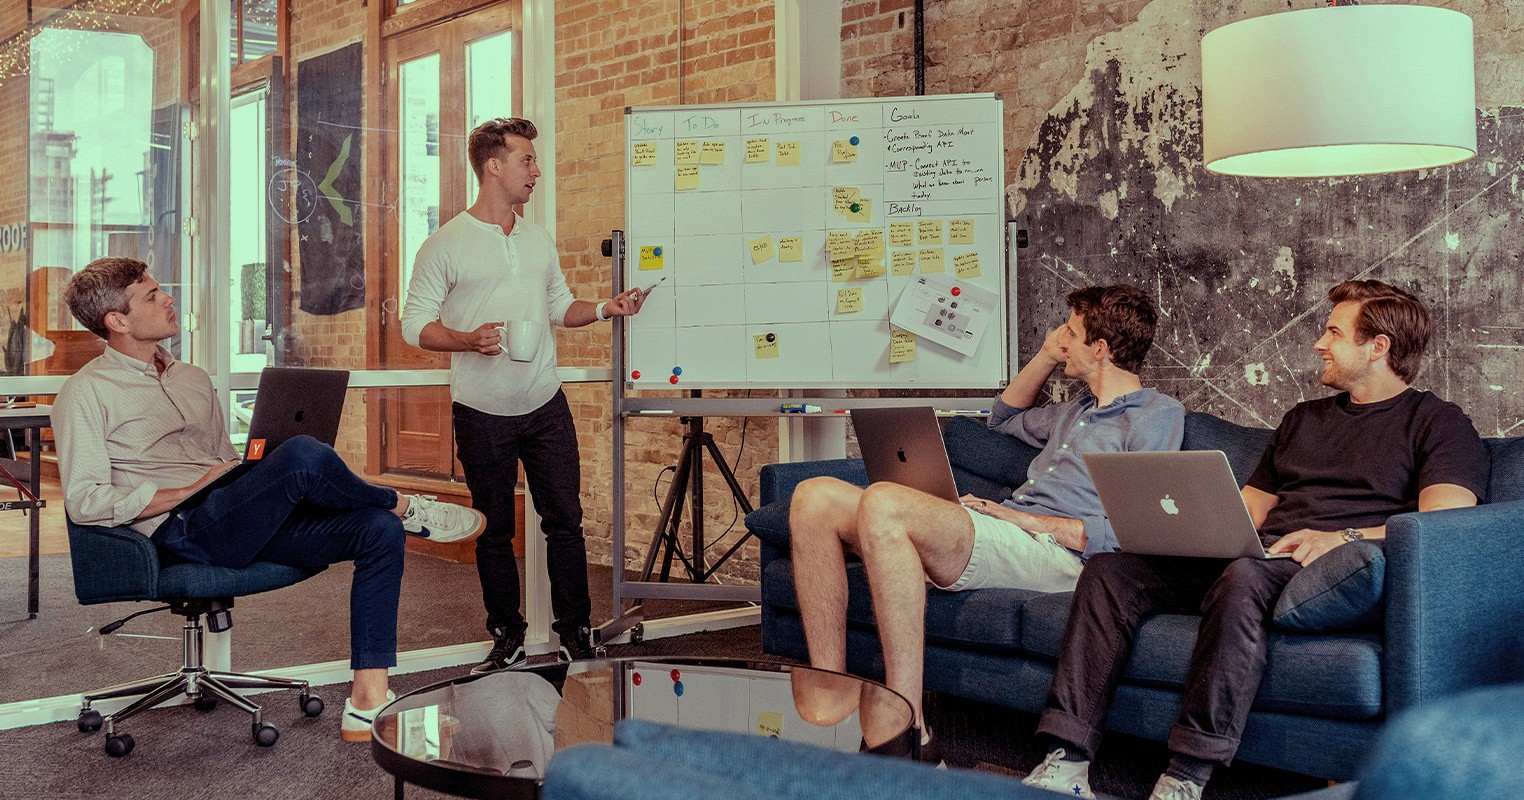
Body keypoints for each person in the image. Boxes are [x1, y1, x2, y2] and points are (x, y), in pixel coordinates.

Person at [1023, 280, 1491, 800]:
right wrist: (1188, 530)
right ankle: (1066, 761)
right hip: (1260, 553)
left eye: (1333, 332)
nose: (1319, 343)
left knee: (1244, 575)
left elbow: (1445, 522)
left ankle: (1184, 777)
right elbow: (1248, 508)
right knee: (1112, 570)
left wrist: (1340, 537)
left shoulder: (1438, 422)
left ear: (1377, 346)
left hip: (1334, 566)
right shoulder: (1303, 419)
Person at [54, 257, 487, 742]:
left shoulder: (191, 378)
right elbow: (85, 500)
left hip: (233, 514)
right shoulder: (85, 393)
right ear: (117, 321)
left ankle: (367, 701)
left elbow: (223, 460)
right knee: (304, 455)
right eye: (152, 296)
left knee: (374, 530)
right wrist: (188, 489)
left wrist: (249, 473)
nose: (168, 298)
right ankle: (402, 504)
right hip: (184, 529)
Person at [789, 284, 1185, 758]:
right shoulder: (1074, 413)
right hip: (1009, 533)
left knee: (886, 503)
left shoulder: (1156, 416)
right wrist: (1043, 356)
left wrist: (1027, 521)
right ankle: (832, 678)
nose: (1060, 338)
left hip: (1059, 555)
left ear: (1099, 349)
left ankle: (910, 724)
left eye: (1070, 332)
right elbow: (1001, 418)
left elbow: (1136, 531)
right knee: (813, 497)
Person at [401, 117, 646, 672]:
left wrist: (607, 308)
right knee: (493, 525)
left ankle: (575, 633)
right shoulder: (446, 243)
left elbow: (561, 307)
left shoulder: (536, 239)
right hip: (482, 410)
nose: (536, 170)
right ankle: (507, 635)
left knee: (565, 520)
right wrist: (467, 339)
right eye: (526, 159)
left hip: (545, 404)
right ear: (493, 165)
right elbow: (414, 325)